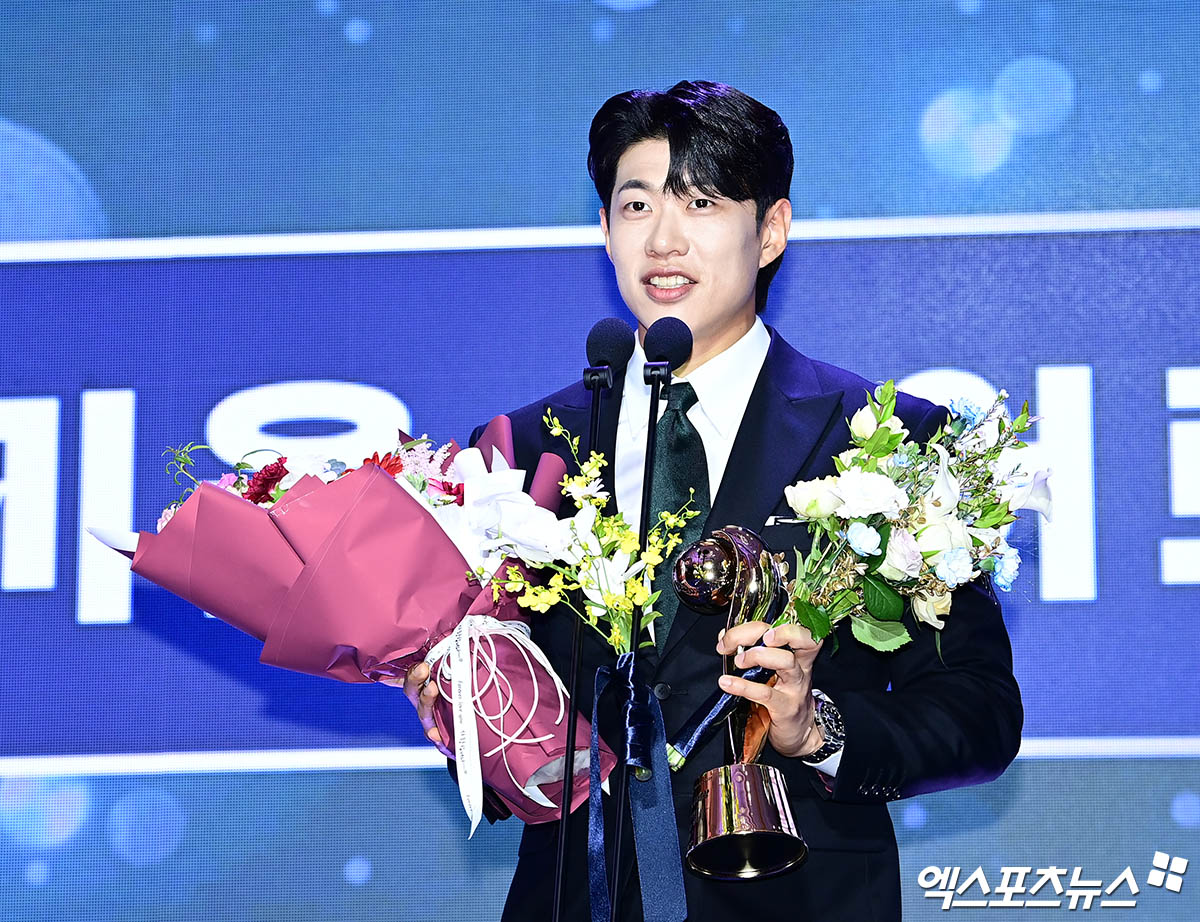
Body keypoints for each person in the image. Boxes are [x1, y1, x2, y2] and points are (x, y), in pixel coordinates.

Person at [405, 80, 1023, 922]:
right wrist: (470, 721)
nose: (663, 238)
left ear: (770, 230)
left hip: (797, 896)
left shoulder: (888, 440)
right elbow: (514, 758)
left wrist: (818, 729)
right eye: (636, 205)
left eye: (701, 202)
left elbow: (980, 713)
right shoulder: (520, 449)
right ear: (605, 230)